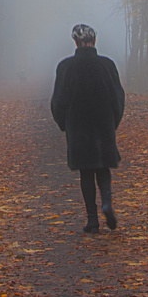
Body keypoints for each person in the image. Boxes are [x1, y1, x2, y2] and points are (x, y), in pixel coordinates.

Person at [50, 23, 125, 233]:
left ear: (75, 42)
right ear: (95, 40)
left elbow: (58, 101)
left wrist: (63, 124)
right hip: (103, 124)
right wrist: (113, 122)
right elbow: (118, 97)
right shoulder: (107, 65)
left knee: (86, 172)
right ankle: (107, 203)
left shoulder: (65, 67)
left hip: (78, 126)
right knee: (103, 167)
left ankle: (92, 220)